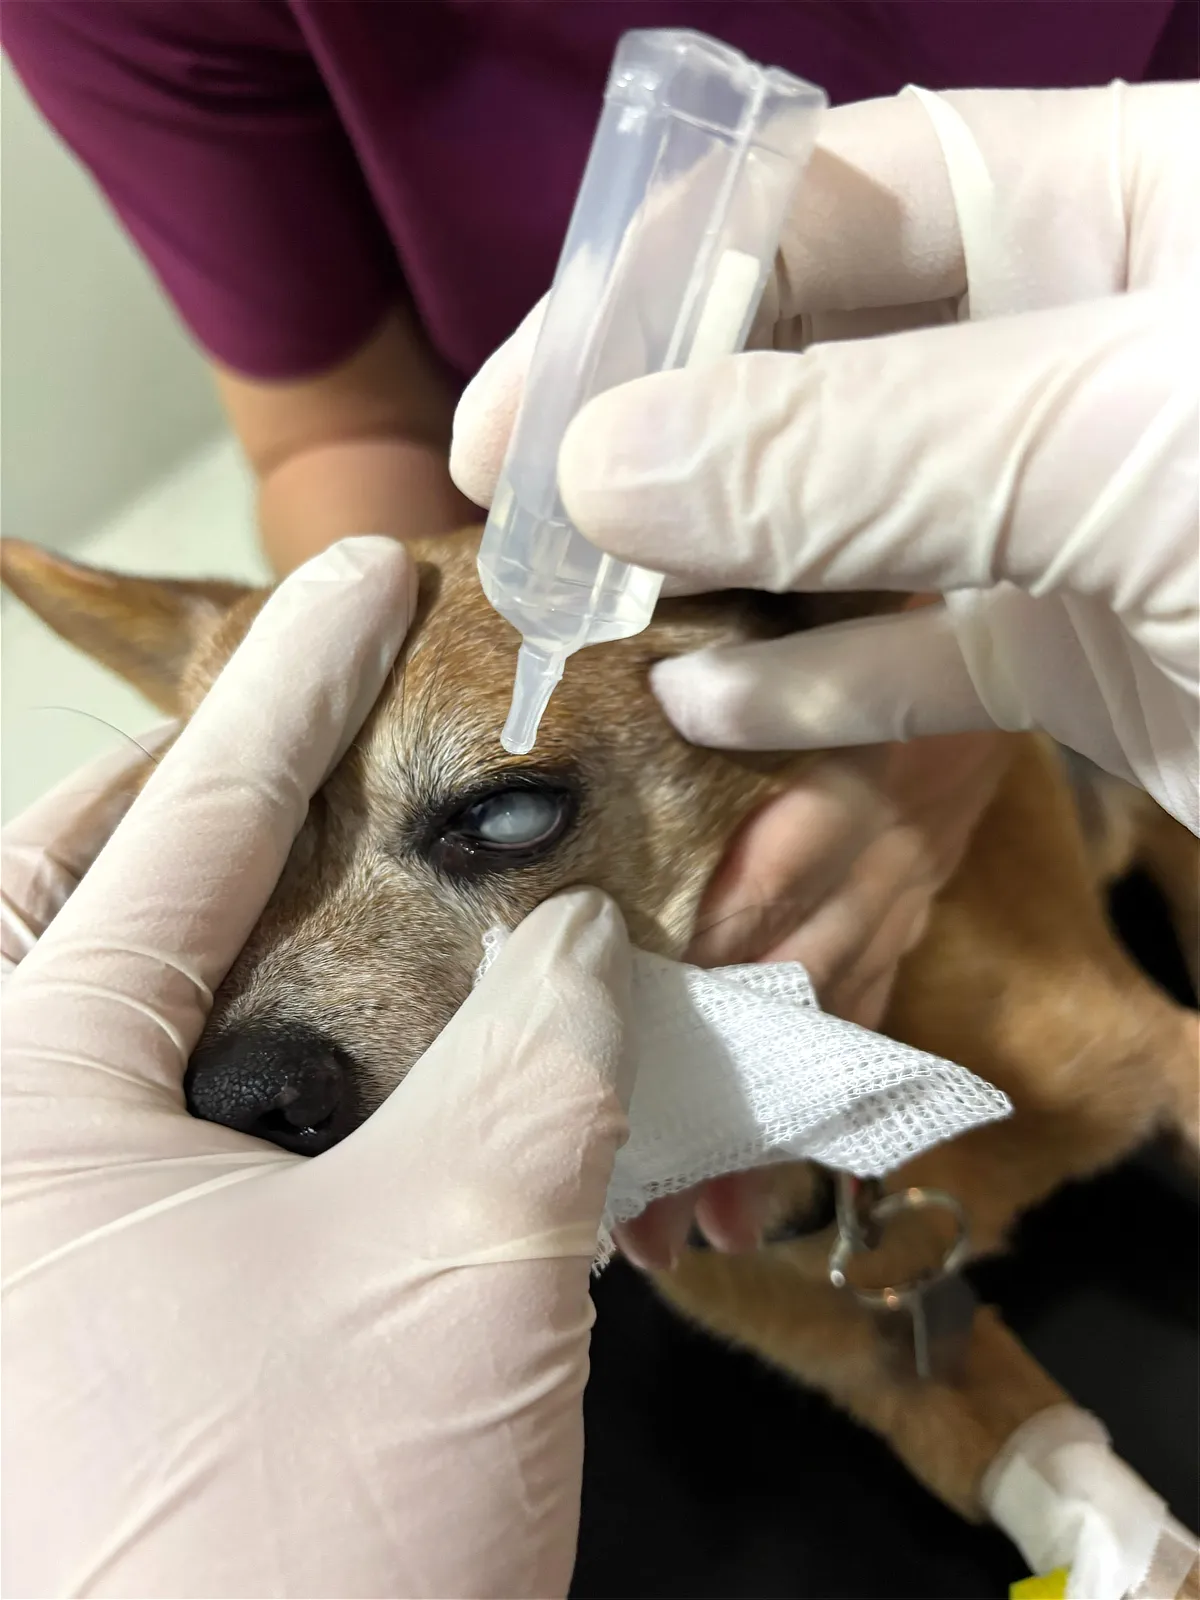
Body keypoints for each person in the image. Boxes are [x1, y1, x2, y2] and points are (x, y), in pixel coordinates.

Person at [4, 80, 1197, 1596]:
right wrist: (1094, 1532)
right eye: (262, 872)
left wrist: (926, 684)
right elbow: (912, 1340)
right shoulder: (664, 1227)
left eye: (503, 814)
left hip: (986, 578)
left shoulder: (1023, 1020)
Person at [4, 4, 1196, 1165]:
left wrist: (943, 602)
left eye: (501, 816)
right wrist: (375, 664)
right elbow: (339, 427)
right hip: (624, 535)